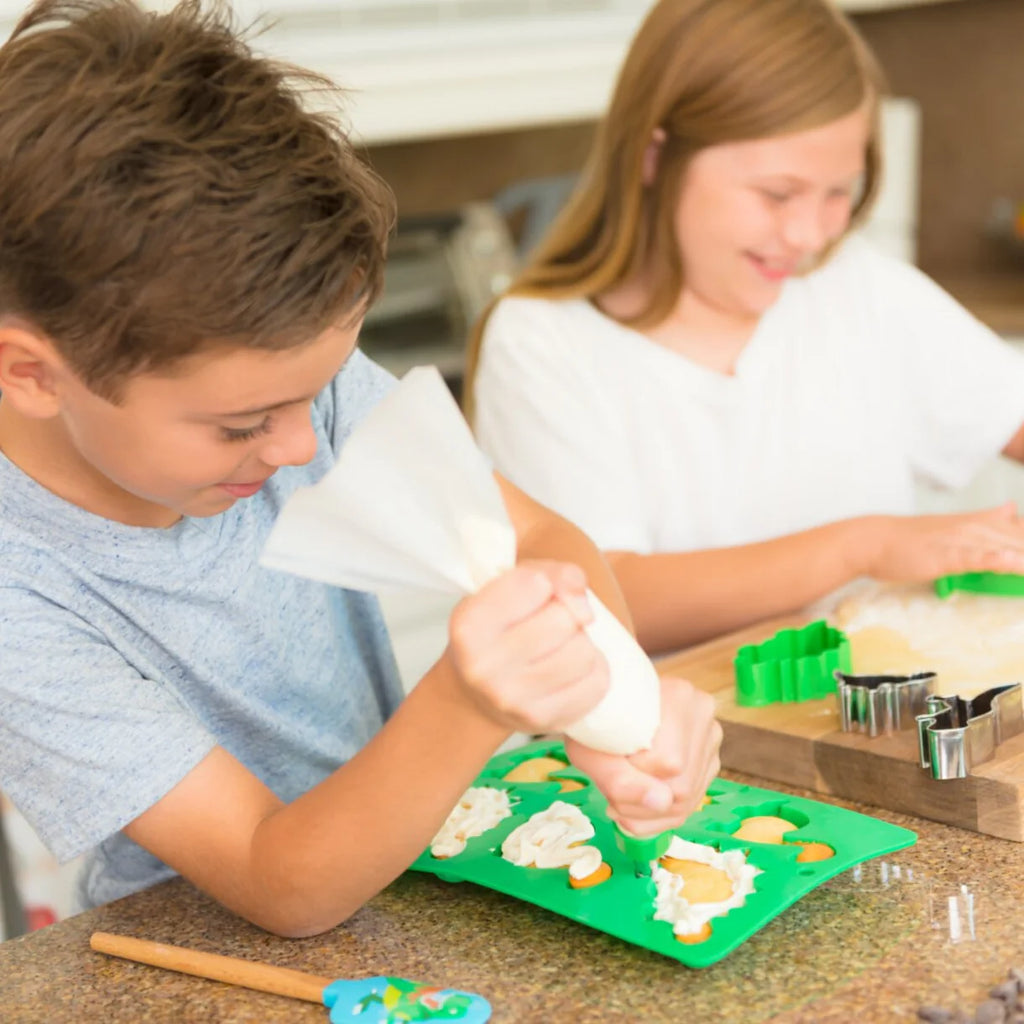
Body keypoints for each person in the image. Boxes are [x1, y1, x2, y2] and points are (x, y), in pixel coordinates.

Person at [0, 0, 722, 937]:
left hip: (404, 890)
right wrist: (469, 699)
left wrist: (615, 712)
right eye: (242, 425)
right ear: (32, 373)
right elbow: (279, 882)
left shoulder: (285, 383)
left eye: (321, 390)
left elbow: (539, 540)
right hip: (202, 959)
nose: (304, 446)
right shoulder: (20, 591)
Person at [467, 0, 1024, 656]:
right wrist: (865, 545)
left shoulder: (854, 286)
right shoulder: (543, 342)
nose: (810, 233)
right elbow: (601, 596)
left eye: (838, 192)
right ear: (654, 157)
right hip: (665, 752)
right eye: (777, 194)